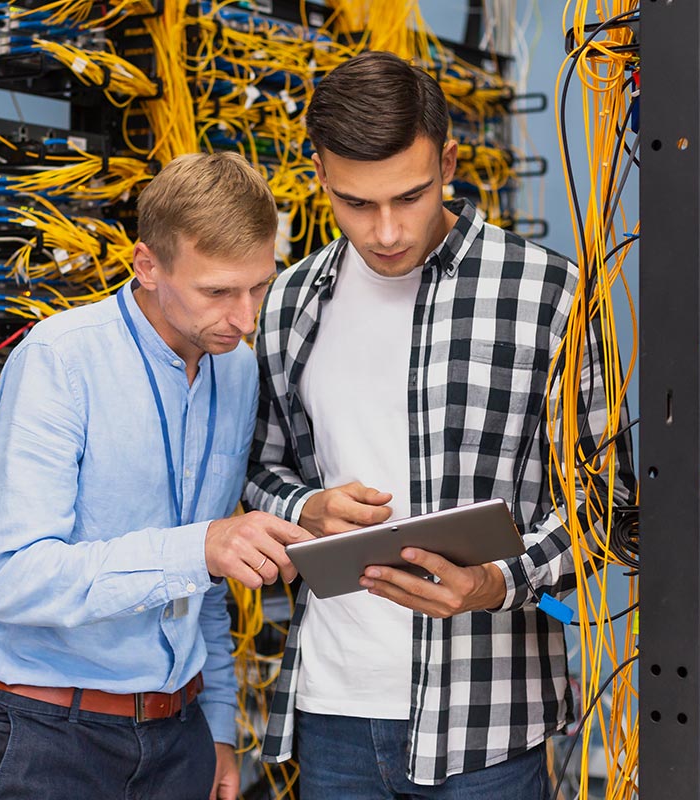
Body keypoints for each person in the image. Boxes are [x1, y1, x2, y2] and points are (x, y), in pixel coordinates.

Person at [244, 51, 635, 798]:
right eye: (357, 204)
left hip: (489, 719)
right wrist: (307, 508)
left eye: (411, 196)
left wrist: (496, 582)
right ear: (319, 171)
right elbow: (260, 471)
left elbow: (604, 505)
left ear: (449, 160)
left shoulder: (550, 293)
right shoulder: (289, 301)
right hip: (334, 710)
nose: (387, 231)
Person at [0, 151, 313, 800]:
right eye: (218, 292)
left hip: (181, 737)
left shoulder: (235, 372)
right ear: (148, 266)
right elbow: (12, 581)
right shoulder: (60, 362)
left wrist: (220, 729)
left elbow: (204, 587)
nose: (245, 318)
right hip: (48, 739)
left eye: (259, 286)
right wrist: (197, 547)